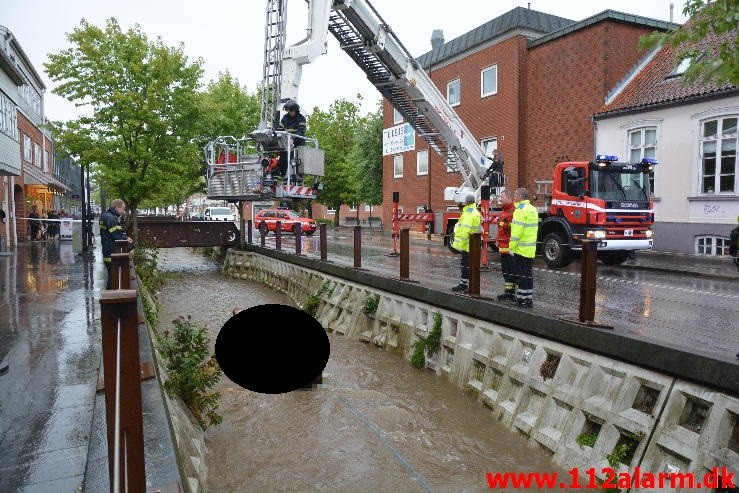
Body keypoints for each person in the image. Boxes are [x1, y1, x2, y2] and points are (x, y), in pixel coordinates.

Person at [508, 188, 539, 308]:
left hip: (521, 248)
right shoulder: (532, 209)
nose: (514, 197)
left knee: (521, 275)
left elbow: (517, 231)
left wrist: (512, 247)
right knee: (528, 274)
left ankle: (521, 299)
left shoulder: (520, 210)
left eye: (515, 195)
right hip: (530, 248)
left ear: (520, 196)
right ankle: (528, 299)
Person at [100, 199, 134, 290]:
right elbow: (116, 236)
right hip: (112, 252)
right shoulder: (111, 218)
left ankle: (109, 297)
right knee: (113, 278)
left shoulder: (104, 216)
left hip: (107, 251)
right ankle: (109, 299)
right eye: (122, 209)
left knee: (112, 277)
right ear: (117, 207)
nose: (123, 212)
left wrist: (125, 238)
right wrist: (129, 244)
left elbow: (115, 234)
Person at [451, 193, 482, 292]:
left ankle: (464, 284)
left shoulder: (469, 212)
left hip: (467, 245)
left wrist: (460, 245)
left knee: (465, 265)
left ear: (466, 202)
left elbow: (465, 230)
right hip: (472, 244)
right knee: (469, 265)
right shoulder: (475, 211)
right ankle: (467, 284)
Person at [494, 189, 517, 301]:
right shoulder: (504, 212)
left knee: (513, 271)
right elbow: (501, 229)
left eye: (502, 197)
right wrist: (497, 240)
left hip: (510, 247)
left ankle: (514, 294)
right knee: (506, 271)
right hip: (503, 247)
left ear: (509, 198)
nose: (500, 199)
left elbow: (514, 228)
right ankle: (508, 293)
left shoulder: (513, 211)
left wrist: (505, 224)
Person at [276, 99, 307, 176]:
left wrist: (292, 139)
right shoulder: (285, 118)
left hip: (298, 144)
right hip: (287, 143)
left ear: (295, 110)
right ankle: (280, 175)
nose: (290, 112)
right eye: (289, 111)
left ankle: (299, 176)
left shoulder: (301, 118)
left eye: (291, 111)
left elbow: (301, 131)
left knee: (298, 160)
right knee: (283, 156)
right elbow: (280, 130)